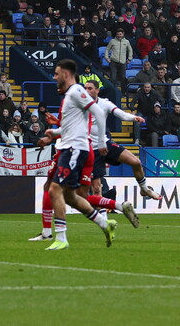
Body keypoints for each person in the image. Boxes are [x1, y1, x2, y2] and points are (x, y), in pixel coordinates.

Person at [30, 79, 146, 241]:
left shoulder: (80, 104)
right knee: (73, 194)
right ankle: (116, 208)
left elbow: (76, 128)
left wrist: (52, 135)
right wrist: (56, 124)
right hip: (82, 150)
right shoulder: (76, 104)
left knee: (58, 191)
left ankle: (53, 235)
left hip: (72, 151)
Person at [35, 60, 116, 250]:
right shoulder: (69, 97)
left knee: (54, 189)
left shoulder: (76, 91)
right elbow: (71, 127)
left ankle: (61, 238)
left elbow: (98, 112)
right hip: (72, 146)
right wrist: (52, 135)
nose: (54, 78)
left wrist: (103, 142)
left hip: (75, 149)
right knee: (71, 197)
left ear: (65, 73)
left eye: (56, 74)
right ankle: (106, 224)